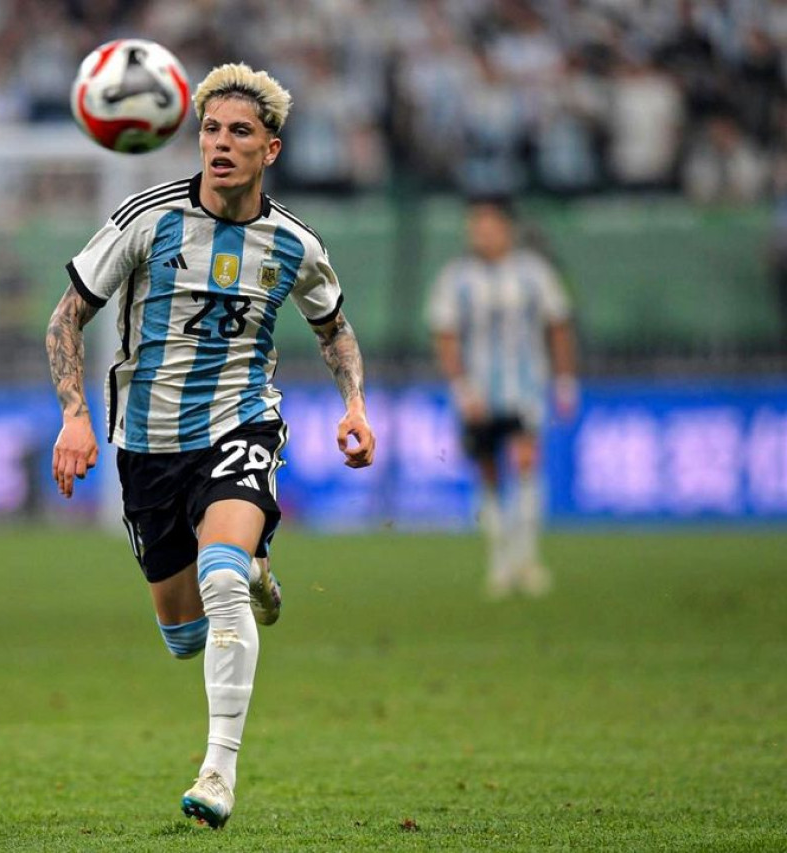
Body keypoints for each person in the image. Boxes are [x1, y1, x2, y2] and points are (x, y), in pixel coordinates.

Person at [45, 62, 375, 829]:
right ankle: (257, 569)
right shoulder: (147, 218)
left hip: (240, 424)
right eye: (211, 131)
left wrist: (354, 403)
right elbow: (66, 317)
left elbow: (333, 327)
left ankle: (218, 771)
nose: (220, 145)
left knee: (219, 573)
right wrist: (73, 412)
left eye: (239, 133)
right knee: (185, 636)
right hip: (147, 448)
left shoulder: (294, 244)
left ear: (273, 150)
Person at [426, 196, 578, 599]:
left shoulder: (535, 273)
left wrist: (564, 380)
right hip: (479, 391)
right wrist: (460, 387)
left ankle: (526, 559)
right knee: (490, 471)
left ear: (507, 229)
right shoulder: (456, 278)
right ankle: (500, 560)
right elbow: (445, 334)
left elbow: (558, 325)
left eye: (490, 227)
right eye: (477, 228)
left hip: (525, 387)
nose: (482, 235)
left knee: (527, 461)